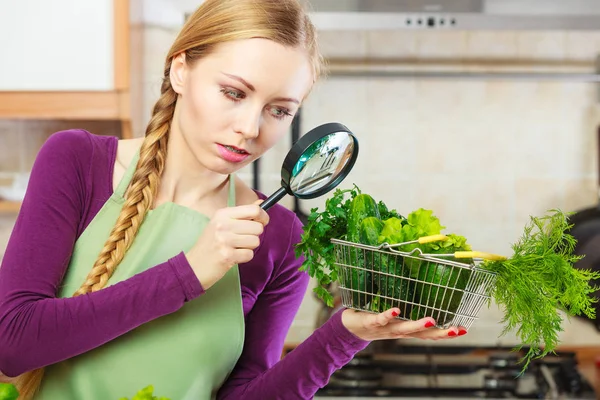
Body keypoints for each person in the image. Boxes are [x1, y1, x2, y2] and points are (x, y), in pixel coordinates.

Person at [0, 0, 468, 399]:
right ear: (180, 70)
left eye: (279, 109)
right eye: (233, 92)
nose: (249, 128)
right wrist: (189, 272)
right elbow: (13, 342)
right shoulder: (78, 162)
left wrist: (344, 335)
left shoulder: (280, 237)